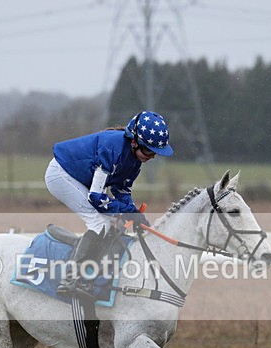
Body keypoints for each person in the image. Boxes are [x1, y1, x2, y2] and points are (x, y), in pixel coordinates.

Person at [44, 110, 174, 297]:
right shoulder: (112, 149)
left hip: (80, 179)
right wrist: (127, 211)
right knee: (99, 222)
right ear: (134, 141)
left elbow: (121, 191)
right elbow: (96, 198)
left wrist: (134, 213)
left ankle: (90, 276)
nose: (151, 156)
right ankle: (71, 279)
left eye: (155, 153)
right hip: (61, 174)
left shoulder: (134, 160)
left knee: (114, 223)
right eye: (148, 150)